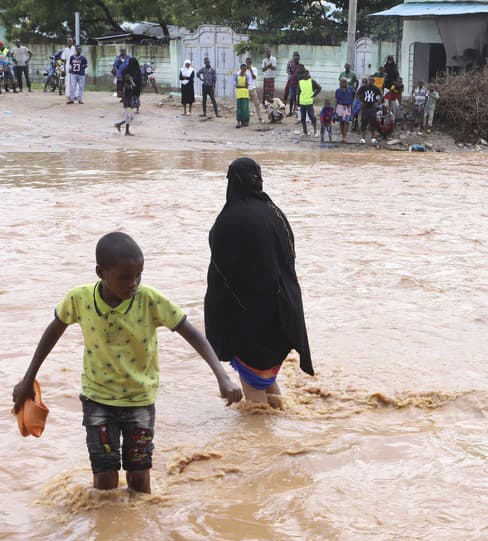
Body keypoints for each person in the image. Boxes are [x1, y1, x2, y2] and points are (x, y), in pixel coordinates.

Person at [11, 232, 242, 494]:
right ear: (101, 272)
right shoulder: (80, 299)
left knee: (140, 479)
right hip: (97, 400)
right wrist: (29, 378)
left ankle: (137, 532)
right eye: (124, 277)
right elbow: (53, 331)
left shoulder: (150, 300)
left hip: (139, 402)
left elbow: (192, 333)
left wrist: (221, 375)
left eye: (138, 275)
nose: (133, 283)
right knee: (105, 481)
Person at [205, 158, 315, 405]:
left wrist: (219, 322)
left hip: (251, 320)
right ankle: (280, 430)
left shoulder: (228, 220)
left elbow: (221, 278)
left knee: (254, 395)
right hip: (284, 313)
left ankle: (264, 439)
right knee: (264, 378)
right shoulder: (276, 213)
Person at [296, 68, 321, 135]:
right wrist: (297, 103)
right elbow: (298, 93)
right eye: (304, 74)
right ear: (303, 74)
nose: (305, 75)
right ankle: (305, 132)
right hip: (302, 102)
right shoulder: (300, 82)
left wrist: (314, 95)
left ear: (308, 74)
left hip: (309, 102)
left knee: (312, 116)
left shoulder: (312, 81)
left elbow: (319, 88)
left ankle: (315, 131)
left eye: (307, 74)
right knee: (303, 118)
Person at [357, 77, 381, 144]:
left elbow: (381, 95)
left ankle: (373, 137)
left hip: (372, 106)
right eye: (370, 80)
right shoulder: (364, 87)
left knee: (373, 121)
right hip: (365, 106)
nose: (371, 82)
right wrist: (360, 102)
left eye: (372, 81)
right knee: (364, 121)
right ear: (368, 80)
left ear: (374, 81)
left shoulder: (375, 88)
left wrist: (378, 103)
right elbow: (357, 94)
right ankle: (363, 138)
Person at [335, 78, 354, 143]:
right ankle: (342, 135)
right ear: (340, 82)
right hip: (340, 107)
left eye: (345, 82)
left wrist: (352, 108)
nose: (344, 83)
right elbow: (336, 100)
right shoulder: (338, 90)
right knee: (341, 122)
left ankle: (344, 136)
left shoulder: (350, 89)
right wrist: (335, 110)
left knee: (347, 122)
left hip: (348, 107)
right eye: (342, 82)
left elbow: (354, 97)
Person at [244, 57, 263, 123]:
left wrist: (250, 70)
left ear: (251, 62)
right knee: (246, 105)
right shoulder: (244, 69)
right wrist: (246, 69)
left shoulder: (254, 69)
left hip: (252, 88)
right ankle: (246, 119)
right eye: (248, 62)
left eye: (250, 62)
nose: (249, 63)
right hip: (245, 89)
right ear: (246, 62)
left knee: (257, 103)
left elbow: (254, 77)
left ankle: (260, 118)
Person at [234, 63, 250, 128]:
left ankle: (245, 121)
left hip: (245, 94)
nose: (244, 70)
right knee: (239, 109)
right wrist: (243, 86)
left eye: (245, 69)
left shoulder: (247, 76)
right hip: (239, 94)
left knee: (245, 109)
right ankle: (238, 122)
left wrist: (241, 85)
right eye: (243, 69)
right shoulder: (236, 75)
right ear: (241, 68)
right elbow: (236, 85)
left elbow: (246, 86)